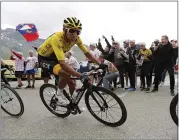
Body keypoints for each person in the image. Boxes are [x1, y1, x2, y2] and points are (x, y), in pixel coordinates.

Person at [37, 17, 102, 108]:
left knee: (72, 83)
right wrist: (80, 75)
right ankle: (58, 96)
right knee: (66, 73)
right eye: (72, 31)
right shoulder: (56, 38)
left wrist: (100, 64)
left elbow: (87, 53)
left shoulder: (77, 39)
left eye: (78, 31)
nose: (75, 34)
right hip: (45, 59)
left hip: (56, 57)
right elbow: (63, 64)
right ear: (64, 30)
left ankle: (73, 103)